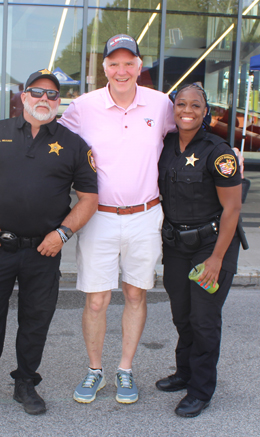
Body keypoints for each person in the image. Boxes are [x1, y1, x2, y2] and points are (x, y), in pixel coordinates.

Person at [0, 69, 98, 420]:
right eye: (36, 92)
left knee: (35, 321)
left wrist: (61, 234)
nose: (43, 99)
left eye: (51, 95)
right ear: (23, 96)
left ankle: (25, 383)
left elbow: (89, 198)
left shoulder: (73, 143)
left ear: (58, 101)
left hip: (43, 251)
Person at [58, 34, 175, 404]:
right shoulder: (83, 106)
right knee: (95, 301)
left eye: (129, 63)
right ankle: (95, 371)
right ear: (104, 67)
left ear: (140, 66)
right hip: (99, 218)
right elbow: (53, 144)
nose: (121, 70)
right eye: (114, 63)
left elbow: (188, 135)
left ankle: (125, 370)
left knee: (136, 293)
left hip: (146, 215)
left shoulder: (160, 105)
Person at [156, 83, 242, 417]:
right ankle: (185, 372)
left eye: (195, 105)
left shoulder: (219, 153)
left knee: (204, 319)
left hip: (211, 246)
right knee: (182, 315)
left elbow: (232, 210)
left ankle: (201, 389)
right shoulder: (165, 145)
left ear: (206, 112)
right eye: (181, 104)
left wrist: (217, 259)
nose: (187, 110)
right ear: (173, 109)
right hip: (177, 246)